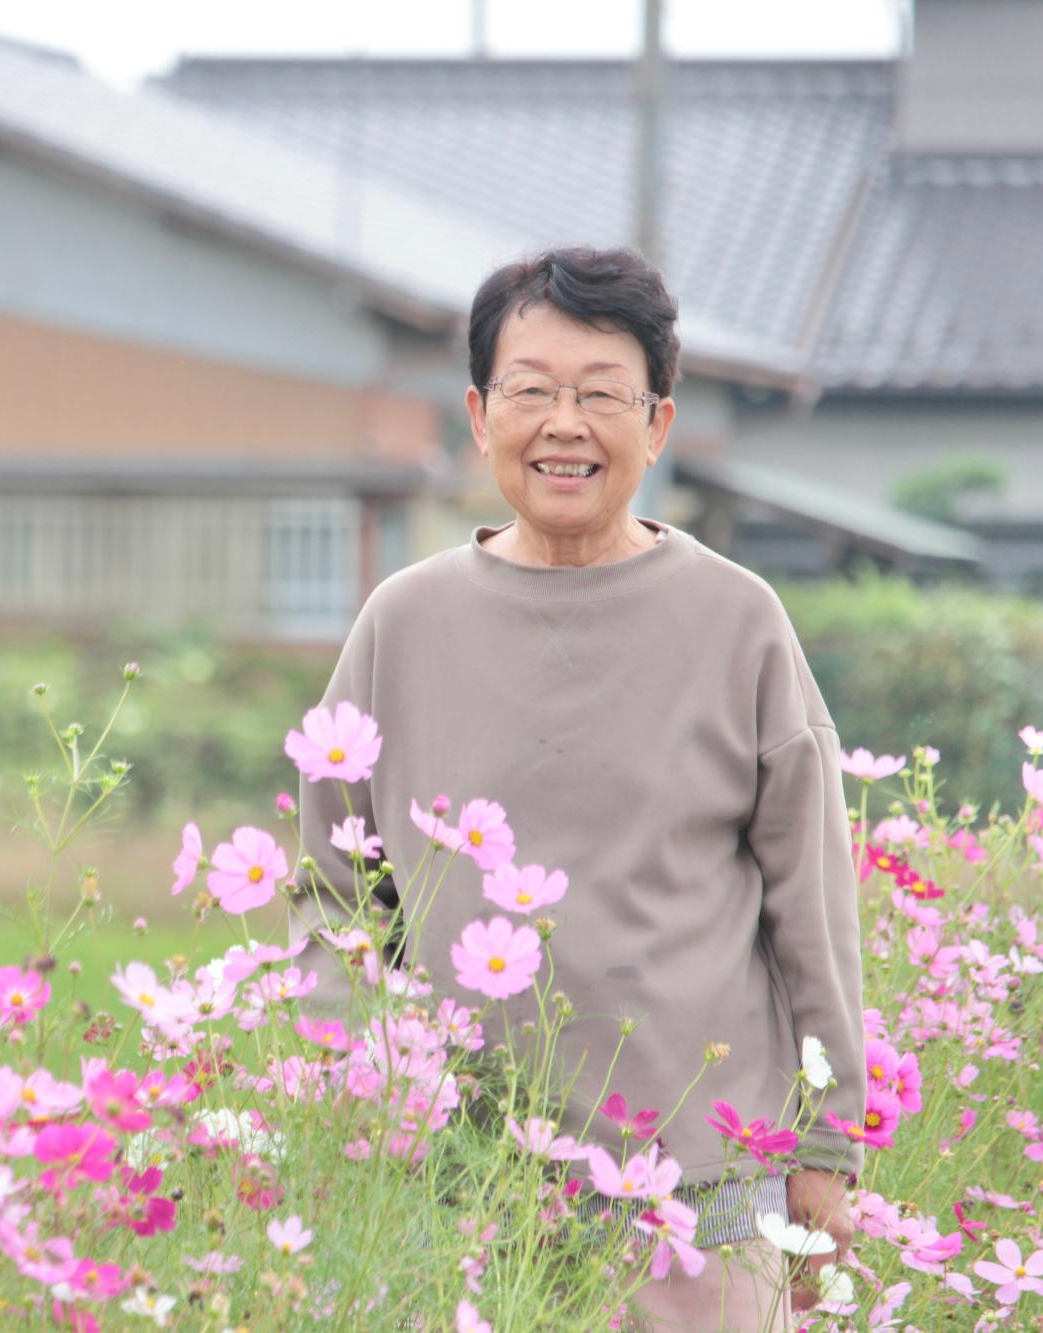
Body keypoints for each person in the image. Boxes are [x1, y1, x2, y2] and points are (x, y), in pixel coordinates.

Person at [291, 246, 865, 1332]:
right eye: (530, 391)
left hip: (701, 1186)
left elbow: (811, 905)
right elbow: (330, 889)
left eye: (601, 394)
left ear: (655, 423)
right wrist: (355, 1093)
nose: (564, 424)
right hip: (457, 1185)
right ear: (477, 413)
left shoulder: (736, 621)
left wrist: (826, 1146)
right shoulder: (399, 625)